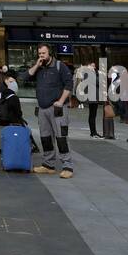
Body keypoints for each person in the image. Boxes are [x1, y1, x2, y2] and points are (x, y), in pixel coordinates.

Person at [23, 44, 74, 178]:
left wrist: (61, 101)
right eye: (39, 53)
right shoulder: (39, 68)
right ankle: (48, 165)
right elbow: (25, 78)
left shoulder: (59, 66)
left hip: (57, 108)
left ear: (50, 53)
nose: (41, 56)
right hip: (42, 108)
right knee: (45, 137)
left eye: (43, 53)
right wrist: (36, 65)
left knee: (61, 137)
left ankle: (67, 166)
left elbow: (69, 84)